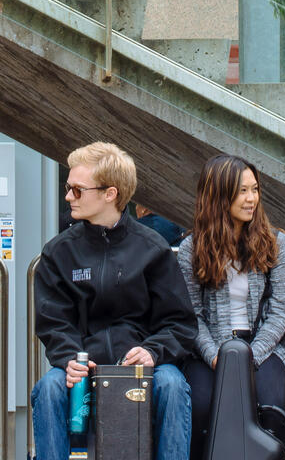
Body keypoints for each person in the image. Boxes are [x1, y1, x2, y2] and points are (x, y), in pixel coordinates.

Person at [31, 142, 195, 460]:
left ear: (111, 194)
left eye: (77, 190)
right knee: (49, 389)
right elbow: (52, 320)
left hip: (144, 368)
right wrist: (69, 358)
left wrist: (152, 351)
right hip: (81, 365)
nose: (68, 197)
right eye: (68, 188)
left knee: (173, 386)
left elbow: (179, 322)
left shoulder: (153, 249)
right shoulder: (58, 252)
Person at [176, 155, 285, 459]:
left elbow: (281, 311)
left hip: (263, 349)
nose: (251, 198)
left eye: (254, 190)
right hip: (210, 351)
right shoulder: (192, 248)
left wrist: (250, 355)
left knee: (269, 402)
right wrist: (216, 357)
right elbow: (192, 315)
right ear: (219, 195)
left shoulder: (277, 243)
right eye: (242, 191)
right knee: (201, 403)